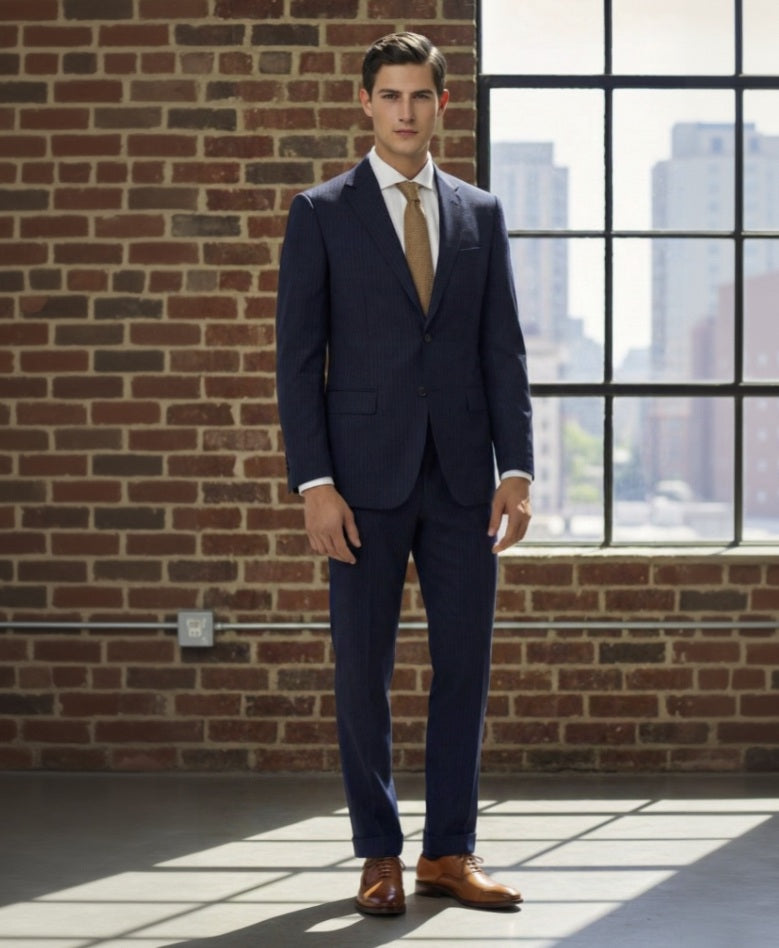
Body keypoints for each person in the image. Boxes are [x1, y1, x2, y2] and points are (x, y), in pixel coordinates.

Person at [276, 31, 533, 915]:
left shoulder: (479, 214)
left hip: (463, 480)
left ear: (441, 105)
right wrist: (313, 483)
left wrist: (516, 468)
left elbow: (502, 350)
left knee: (464, 668)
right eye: (389, 95)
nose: (405, 111)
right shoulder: (321, 212)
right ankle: (378, 854)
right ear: (365, 102)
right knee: (362, 673)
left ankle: (448, 852)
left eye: (420, 95)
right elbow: (296, 359)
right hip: (359, 484)